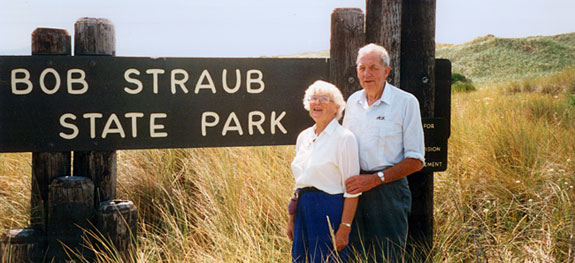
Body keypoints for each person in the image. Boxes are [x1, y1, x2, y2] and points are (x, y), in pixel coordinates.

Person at [343, 43, 425, 262]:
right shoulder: (352, 102)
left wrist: (375, 179)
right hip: (354, 190)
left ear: (387, 71)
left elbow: (416, 161)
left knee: (387, 257)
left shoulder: (406, 102)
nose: (367, 74)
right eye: (362, 68)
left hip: (389, 192)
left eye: (373, 68)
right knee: (355, 256)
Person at [286, 80, 360, 263]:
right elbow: (300, 182)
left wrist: (345, 227)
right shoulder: (304, 137)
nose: (317, 103)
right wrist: (292, 218)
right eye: (313, 98)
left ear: (336, 107)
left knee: (327, 259)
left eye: (324, 99)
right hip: (303, 207)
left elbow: (352, 189)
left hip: (329, 209)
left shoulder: (344, 138)